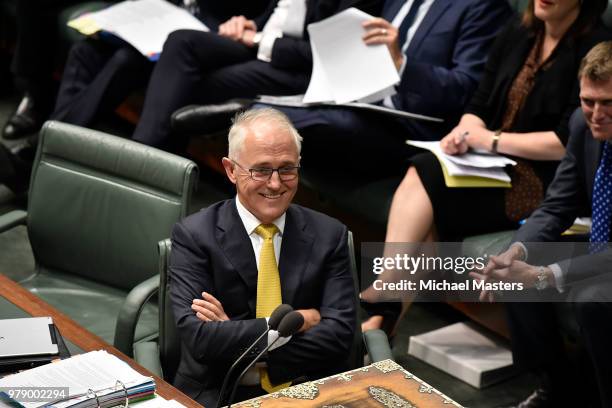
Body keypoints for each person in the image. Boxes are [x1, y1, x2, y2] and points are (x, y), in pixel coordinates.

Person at [360, 0, 611, 333]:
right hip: (492, 161)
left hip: (539, 173)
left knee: (428, 184)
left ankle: (384, 304)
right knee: (426, 170)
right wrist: (463, 134)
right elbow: (478, 101)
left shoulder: (596, 48)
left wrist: (488, 140)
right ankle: (382, 319)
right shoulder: (520, 30)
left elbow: (565, 140)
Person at [169, 107, 356, 407]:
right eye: (261, 170)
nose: (275, 183)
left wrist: (234, 336)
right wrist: (299, 322)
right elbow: (200, 339)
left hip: (306, 387)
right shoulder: (194, 236)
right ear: (231, 170)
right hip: (218, 391)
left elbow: (339, 337)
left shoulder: (330, 235)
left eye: (287, 169)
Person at [470, 41, 612, 408]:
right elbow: (556, 207)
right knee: (515, 272)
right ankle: (555, 386)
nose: (596, 114)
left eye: (608, 103)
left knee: (592, 300)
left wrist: (544, 275)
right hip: (600, 244)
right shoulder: (582, 126)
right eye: (588, 101)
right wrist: (514, 254)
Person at [267, 0, 513, 174]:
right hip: (365, 106)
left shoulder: (485, 6)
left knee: (281, 125)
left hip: (416, 129)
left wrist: (402, 65)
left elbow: (466, 90)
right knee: (261, 114)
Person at [131, 0, 382, 150]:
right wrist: (251, 25)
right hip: (265, 49)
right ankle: (142, 155)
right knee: (181, 41)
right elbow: (280, 14)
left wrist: (259, 38)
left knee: (188, 82)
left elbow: (331, 55)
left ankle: (145, 164)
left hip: (302, 73)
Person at [48, 0, 273, 137]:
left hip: (221, 31)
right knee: (86, 50)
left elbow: (282, 10)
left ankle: (49, 147)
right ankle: (52, 149)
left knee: (125, 60)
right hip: (164, 15)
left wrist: (255, 24)